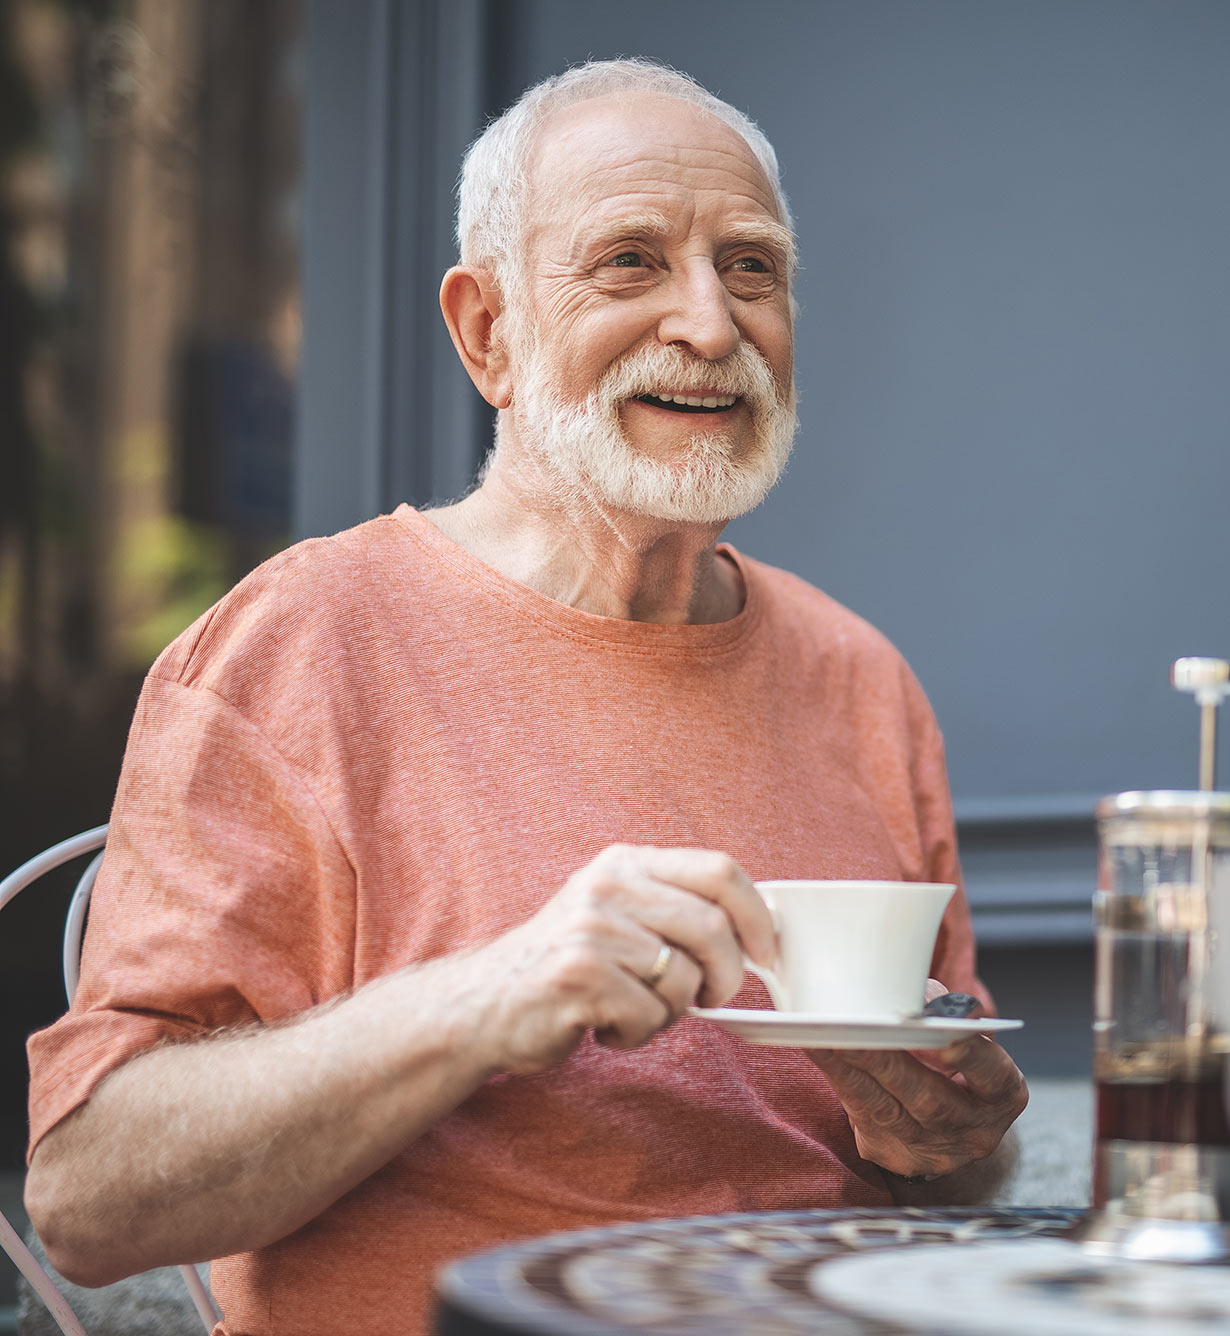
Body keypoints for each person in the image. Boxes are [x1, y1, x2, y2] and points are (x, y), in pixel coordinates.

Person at [22, 58, 1027, 1336]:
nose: (712, 326)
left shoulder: (863, 678)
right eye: (629, 262)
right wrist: (491, 993)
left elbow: (960, 1157)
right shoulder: (301, 644)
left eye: (753, 267)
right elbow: (91, 1194)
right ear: (487, 331)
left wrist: (954, 1134)